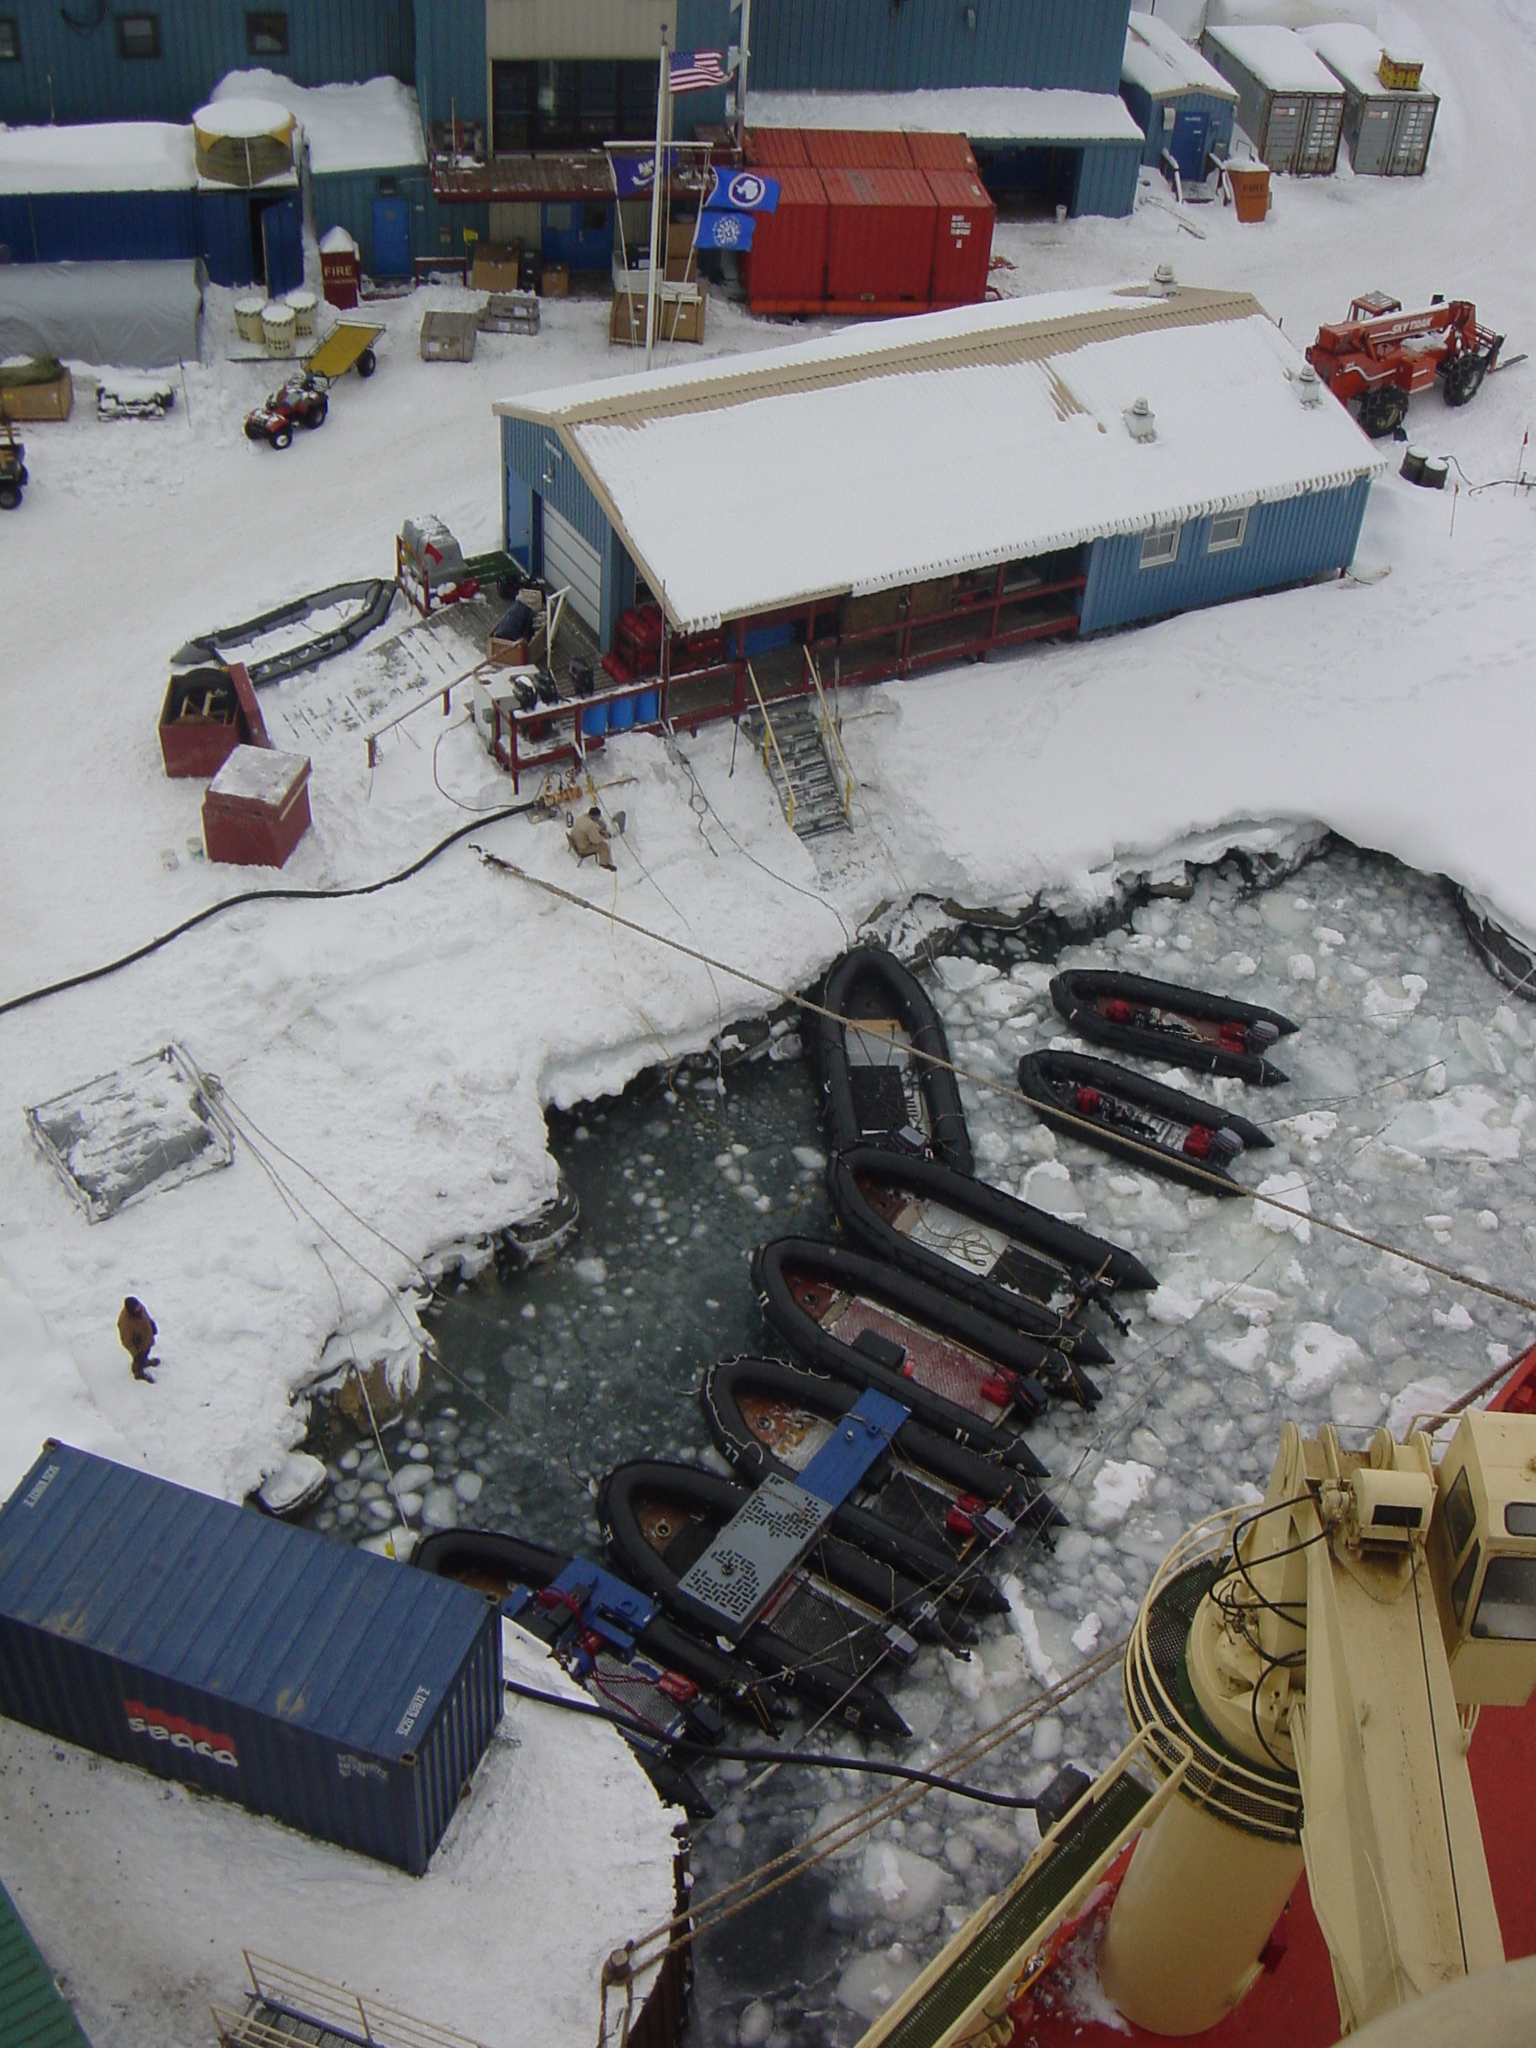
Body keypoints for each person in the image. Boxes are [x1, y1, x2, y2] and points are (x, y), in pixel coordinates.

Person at [118, 1297, 158, 1382]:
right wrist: (136, 1353)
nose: (139, 1308)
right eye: (137, 1308)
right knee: (139, 1360)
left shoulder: (139, 1308)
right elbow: (126, 1341)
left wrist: (151, 1325)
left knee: (146, 1353)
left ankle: (145, 1362)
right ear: (131, 1310)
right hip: (138, 1346)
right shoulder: (125, 1322)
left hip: (146, 1340)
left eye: (139, 1305)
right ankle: (138, 1372)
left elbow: (146, 1316)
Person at [567, 805, 616, 872]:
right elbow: (596, 840)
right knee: (603, 846)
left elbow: (590, 830)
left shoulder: (582, 817)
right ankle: (604, 864)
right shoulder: (591, 826)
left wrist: (598, 830)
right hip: (582, 848)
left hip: (575, 841)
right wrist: (604, 836)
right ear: (595, 817)